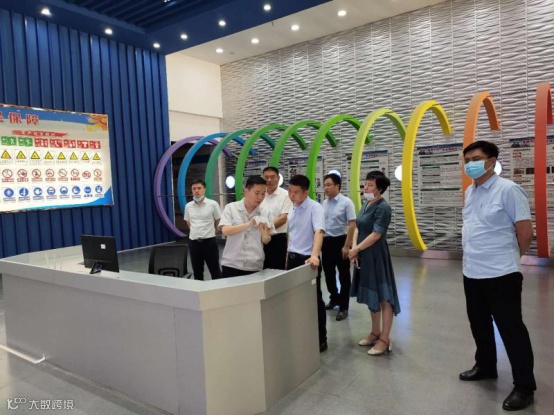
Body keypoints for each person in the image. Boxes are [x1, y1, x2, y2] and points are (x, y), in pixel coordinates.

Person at [459, 140, 535, 411]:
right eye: (467, 160)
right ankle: (486, 366)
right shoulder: (470, 191)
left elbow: (525, 233)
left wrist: (511, 259)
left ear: (492, 161)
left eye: (476, 159)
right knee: (478, 324)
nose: (470, 164)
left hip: (501, 274)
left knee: (511, 329)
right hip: (472, 271)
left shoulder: (508, 190)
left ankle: (524, 386)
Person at [349, 171, 400, 356]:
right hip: (363, 253)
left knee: (383, 296)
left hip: (376, 255)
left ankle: (385, 339)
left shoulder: (383, 208)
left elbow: (376, 234)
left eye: (371, 185)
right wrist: (354, 248)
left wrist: (357, 249)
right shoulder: (365, 204)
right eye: (366, 183)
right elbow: (358, 227)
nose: (366, 187)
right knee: (372, 293)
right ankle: (375, 332)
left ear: (380, 189)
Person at [286, 174, 327, 352]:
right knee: (295, 300)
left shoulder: (315, 208)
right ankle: (301, 336)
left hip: (308, 260)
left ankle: (321, 339)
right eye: (290, 191)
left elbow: (319, 231)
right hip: (292, 258)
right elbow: (292, 234)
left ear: (305, 192)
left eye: (295, 192)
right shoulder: (292, 207)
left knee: (314, 300)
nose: (291, 195)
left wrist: (315, 255)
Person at [219, 175, 272, 278]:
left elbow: (266, 240)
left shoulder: (265, 212)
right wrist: (249, 224)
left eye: (263, 194)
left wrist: (265, 236)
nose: (260, 197)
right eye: (257, 193)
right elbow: (225, 231)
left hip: (254, 265)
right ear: (246, 191)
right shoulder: (231, 208)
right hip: (231, 263)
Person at [321, 173, 356, 321]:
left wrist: (347, 246)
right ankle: (334, 298)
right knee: (328, 274)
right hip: (326, 242)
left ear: (337, 186)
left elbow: (352, 224)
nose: (326, 188)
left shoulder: (346, 203)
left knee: (343, 275)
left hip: (341, 241)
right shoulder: (324, 203)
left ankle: (344, 306)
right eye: (324, 185)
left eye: (329, 185)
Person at [183, 179, 222, 280]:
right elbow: (188, 222)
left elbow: (218, 220)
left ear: (204, 189)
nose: (196, 191)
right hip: (194, 243)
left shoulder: (213, 204)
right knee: (197, 272)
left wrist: (213, 231)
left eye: (199, 188)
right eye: (194, 188)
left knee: (215, 271)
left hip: (209, 242)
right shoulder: (188, 206)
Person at [260, 166, 292, 269]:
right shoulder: (259, 195)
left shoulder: (285, 195)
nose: (269, 180)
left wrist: (265, 229)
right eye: (266, 177)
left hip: (278, 239)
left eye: (272, 177)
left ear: (278, 178)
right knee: (260, 269)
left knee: (277, 270)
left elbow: (283, 218)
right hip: (259, 238)